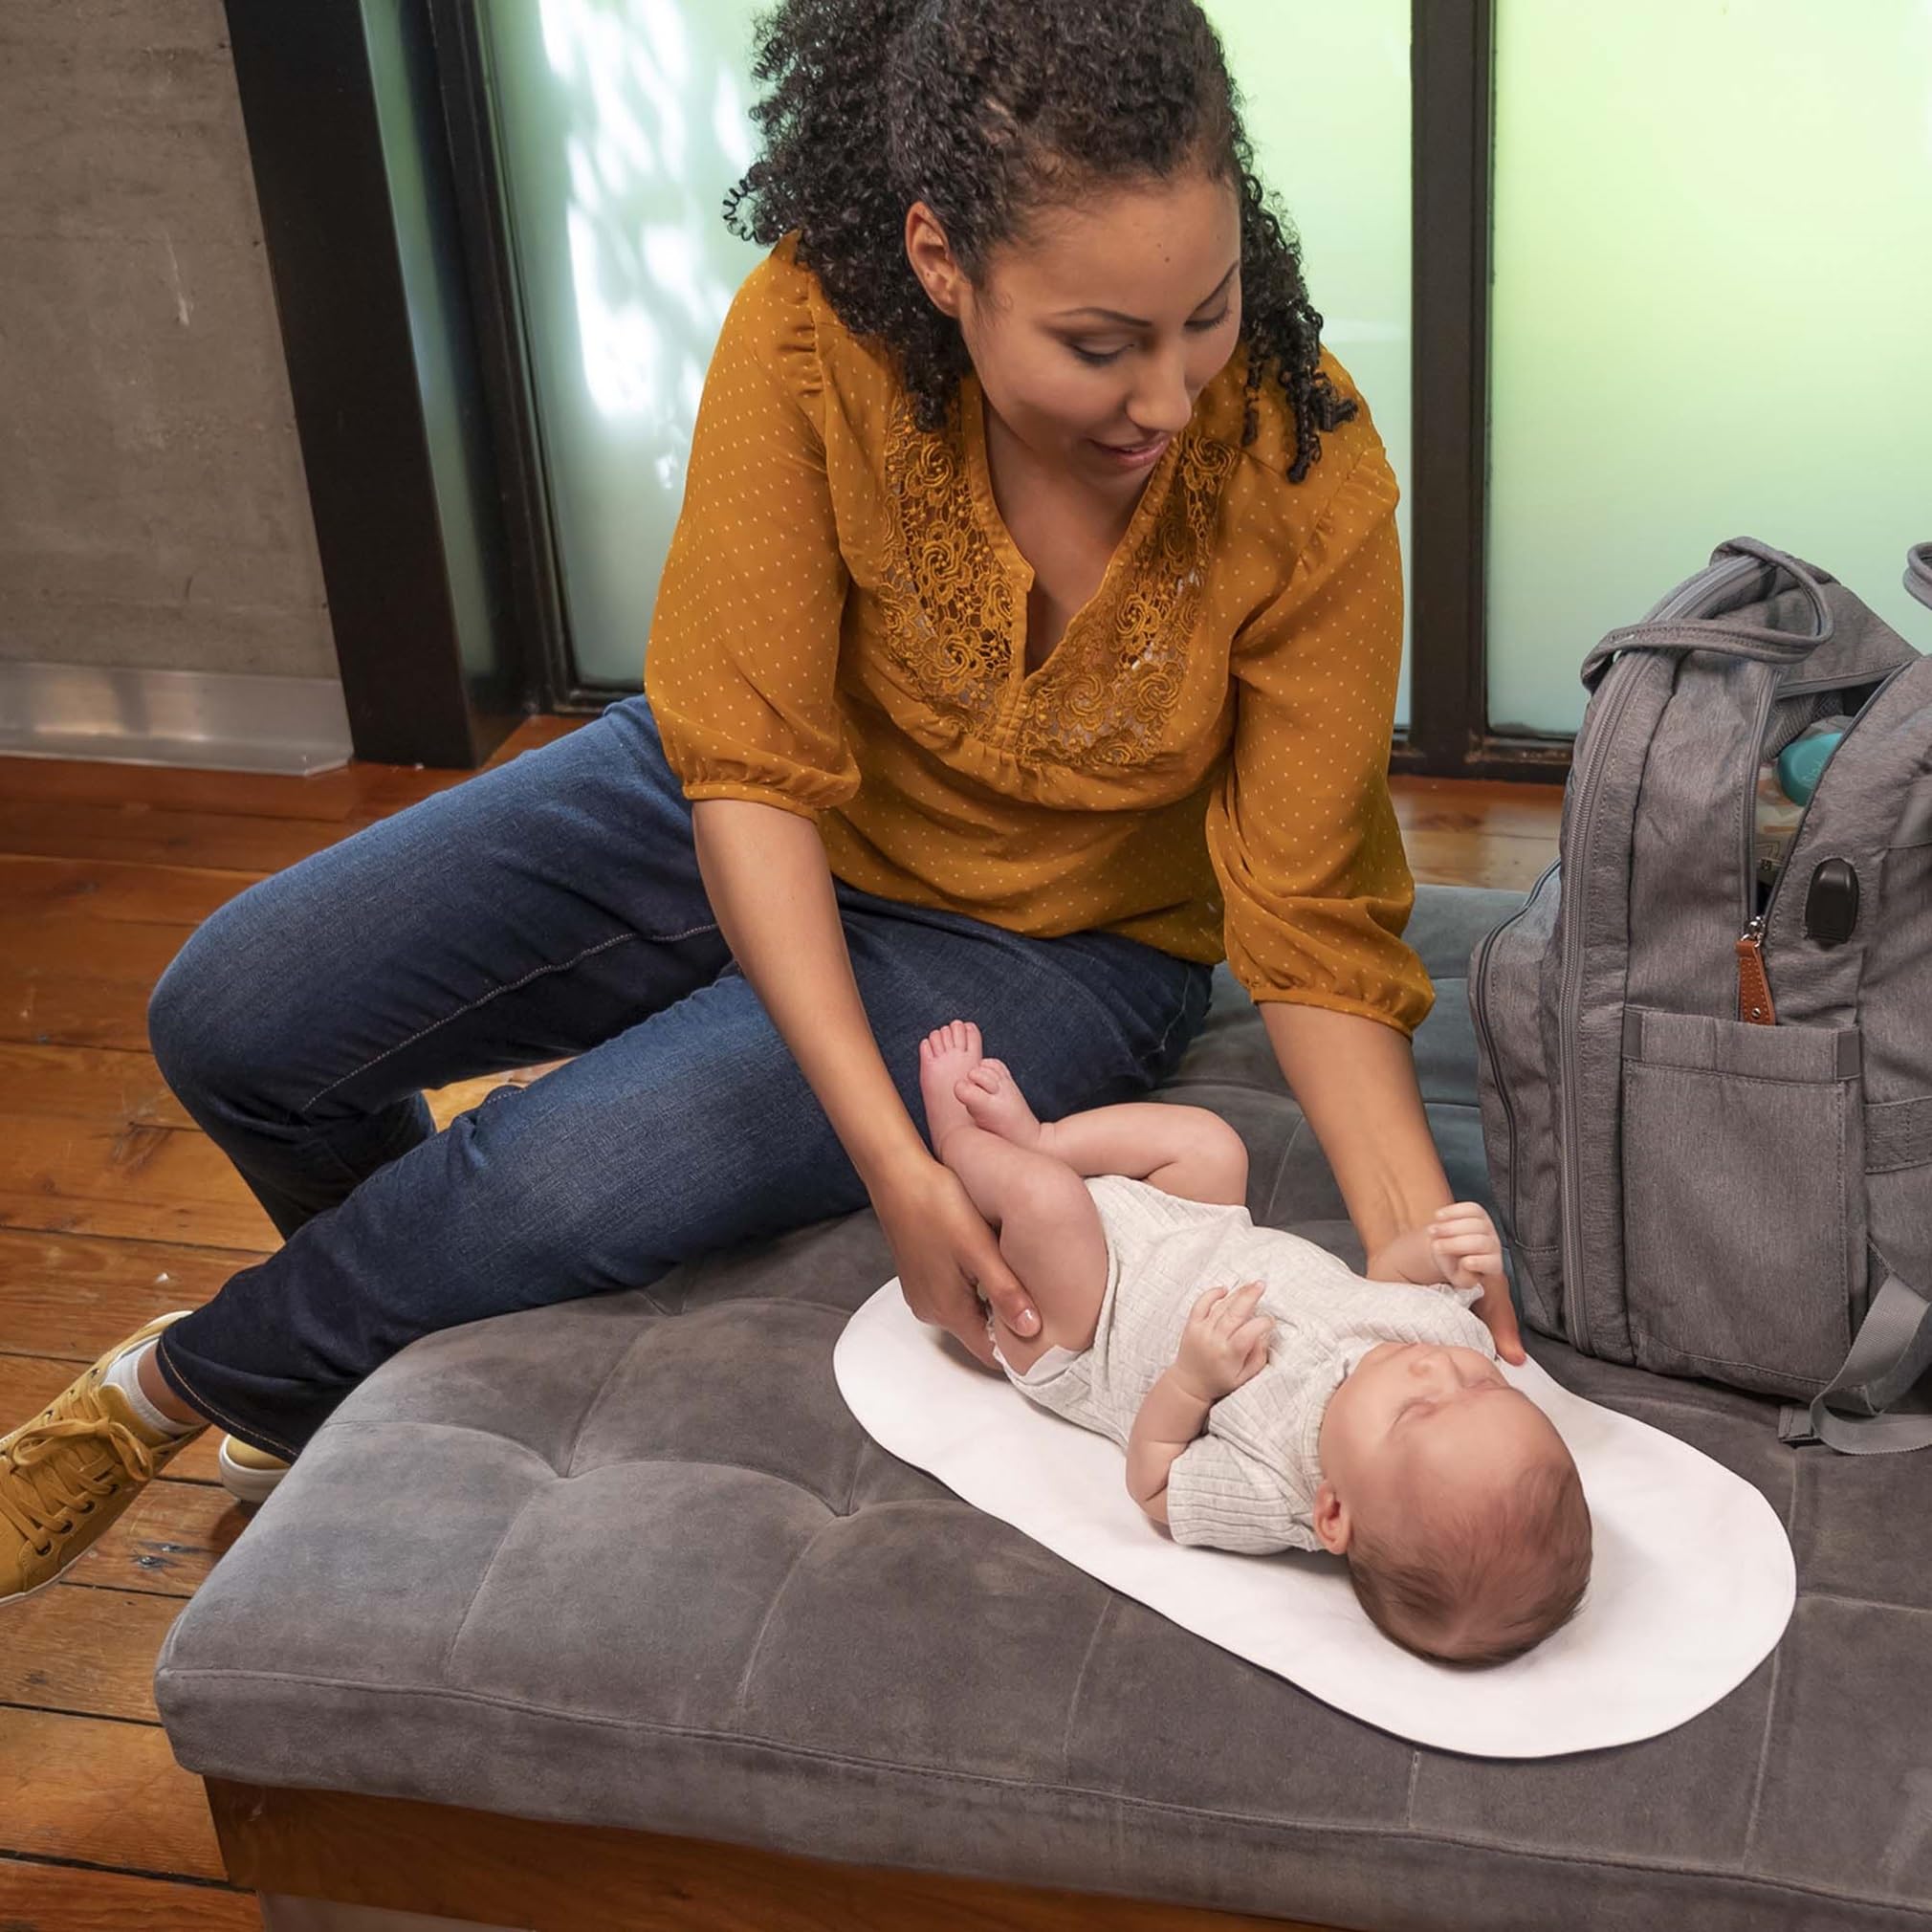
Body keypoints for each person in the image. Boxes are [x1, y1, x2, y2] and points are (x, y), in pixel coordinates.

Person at [0, 0, 1524, 1609]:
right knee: (232, 1015)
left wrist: (1407, 1244)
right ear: (941, 261)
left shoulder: (1303, 473)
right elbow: (743, 770)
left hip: (1059, 947)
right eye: (1100, 344)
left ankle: (171, 1388)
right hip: (744, 800)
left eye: (1206, 315)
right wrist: (895, 1165)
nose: (1171, 394)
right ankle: (352, 1355)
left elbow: (1310, 917)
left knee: (550, 1181)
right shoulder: (815, 335)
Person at [918, 1021, 1587, 1665]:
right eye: (1483, 1382)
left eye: (1418, 1411)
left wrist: (1192, 1383)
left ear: (1332, 1511)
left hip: (1088, 1326)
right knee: (1213, 1147)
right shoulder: (1443, 1340)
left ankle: (952, 1144)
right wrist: (1440, 1254)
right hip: (1189, 1225)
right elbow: (1388, 1279)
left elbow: (1153, 1484)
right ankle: (1041, 1139)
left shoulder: (1272, 1486)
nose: (1436, 1370)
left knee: (1049, 1201)